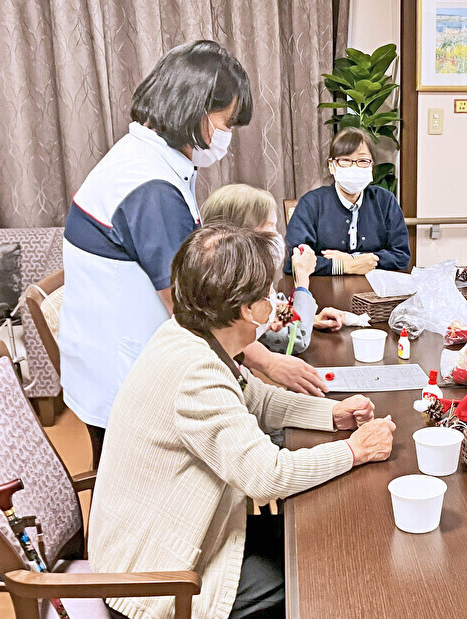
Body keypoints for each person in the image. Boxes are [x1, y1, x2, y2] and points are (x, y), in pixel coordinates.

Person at [88, 222, 397, 619]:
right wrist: (355, 453)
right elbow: (266, 476)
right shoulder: (196, 372)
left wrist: (331, 417)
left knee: (303, 548)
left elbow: (254, 397)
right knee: (306, 582)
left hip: (155, 536)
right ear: (242, 308)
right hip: (156, 575)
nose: (275, 298)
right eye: (267, 292)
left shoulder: (190, 337)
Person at [60, 41, 328, 469]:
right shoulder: (149, 188)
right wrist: (267, 361)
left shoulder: (147, 161)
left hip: (116, 361)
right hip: (127, 376)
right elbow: (197, 308)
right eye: (226, 123)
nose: (227, 137)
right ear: (194, 109)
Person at [201, 184, 345, 353]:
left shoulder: (233, 273)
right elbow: (296, 340)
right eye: (270, 227)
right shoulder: (234, 288)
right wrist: (302, 282)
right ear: (239, 234)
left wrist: (308, 318)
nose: (277, 236)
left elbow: (275, 309)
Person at [283, 128, 410, 276]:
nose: (354, 166)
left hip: (374, 293)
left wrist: (352, 259)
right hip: (323, 293)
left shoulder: (385, 201)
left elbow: (401, 256)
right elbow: (294, 261)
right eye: (345, 160)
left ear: (371, 166)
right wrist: (343, 266)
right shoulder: (311, 203)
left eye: (362, 161)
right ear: (332, 165)